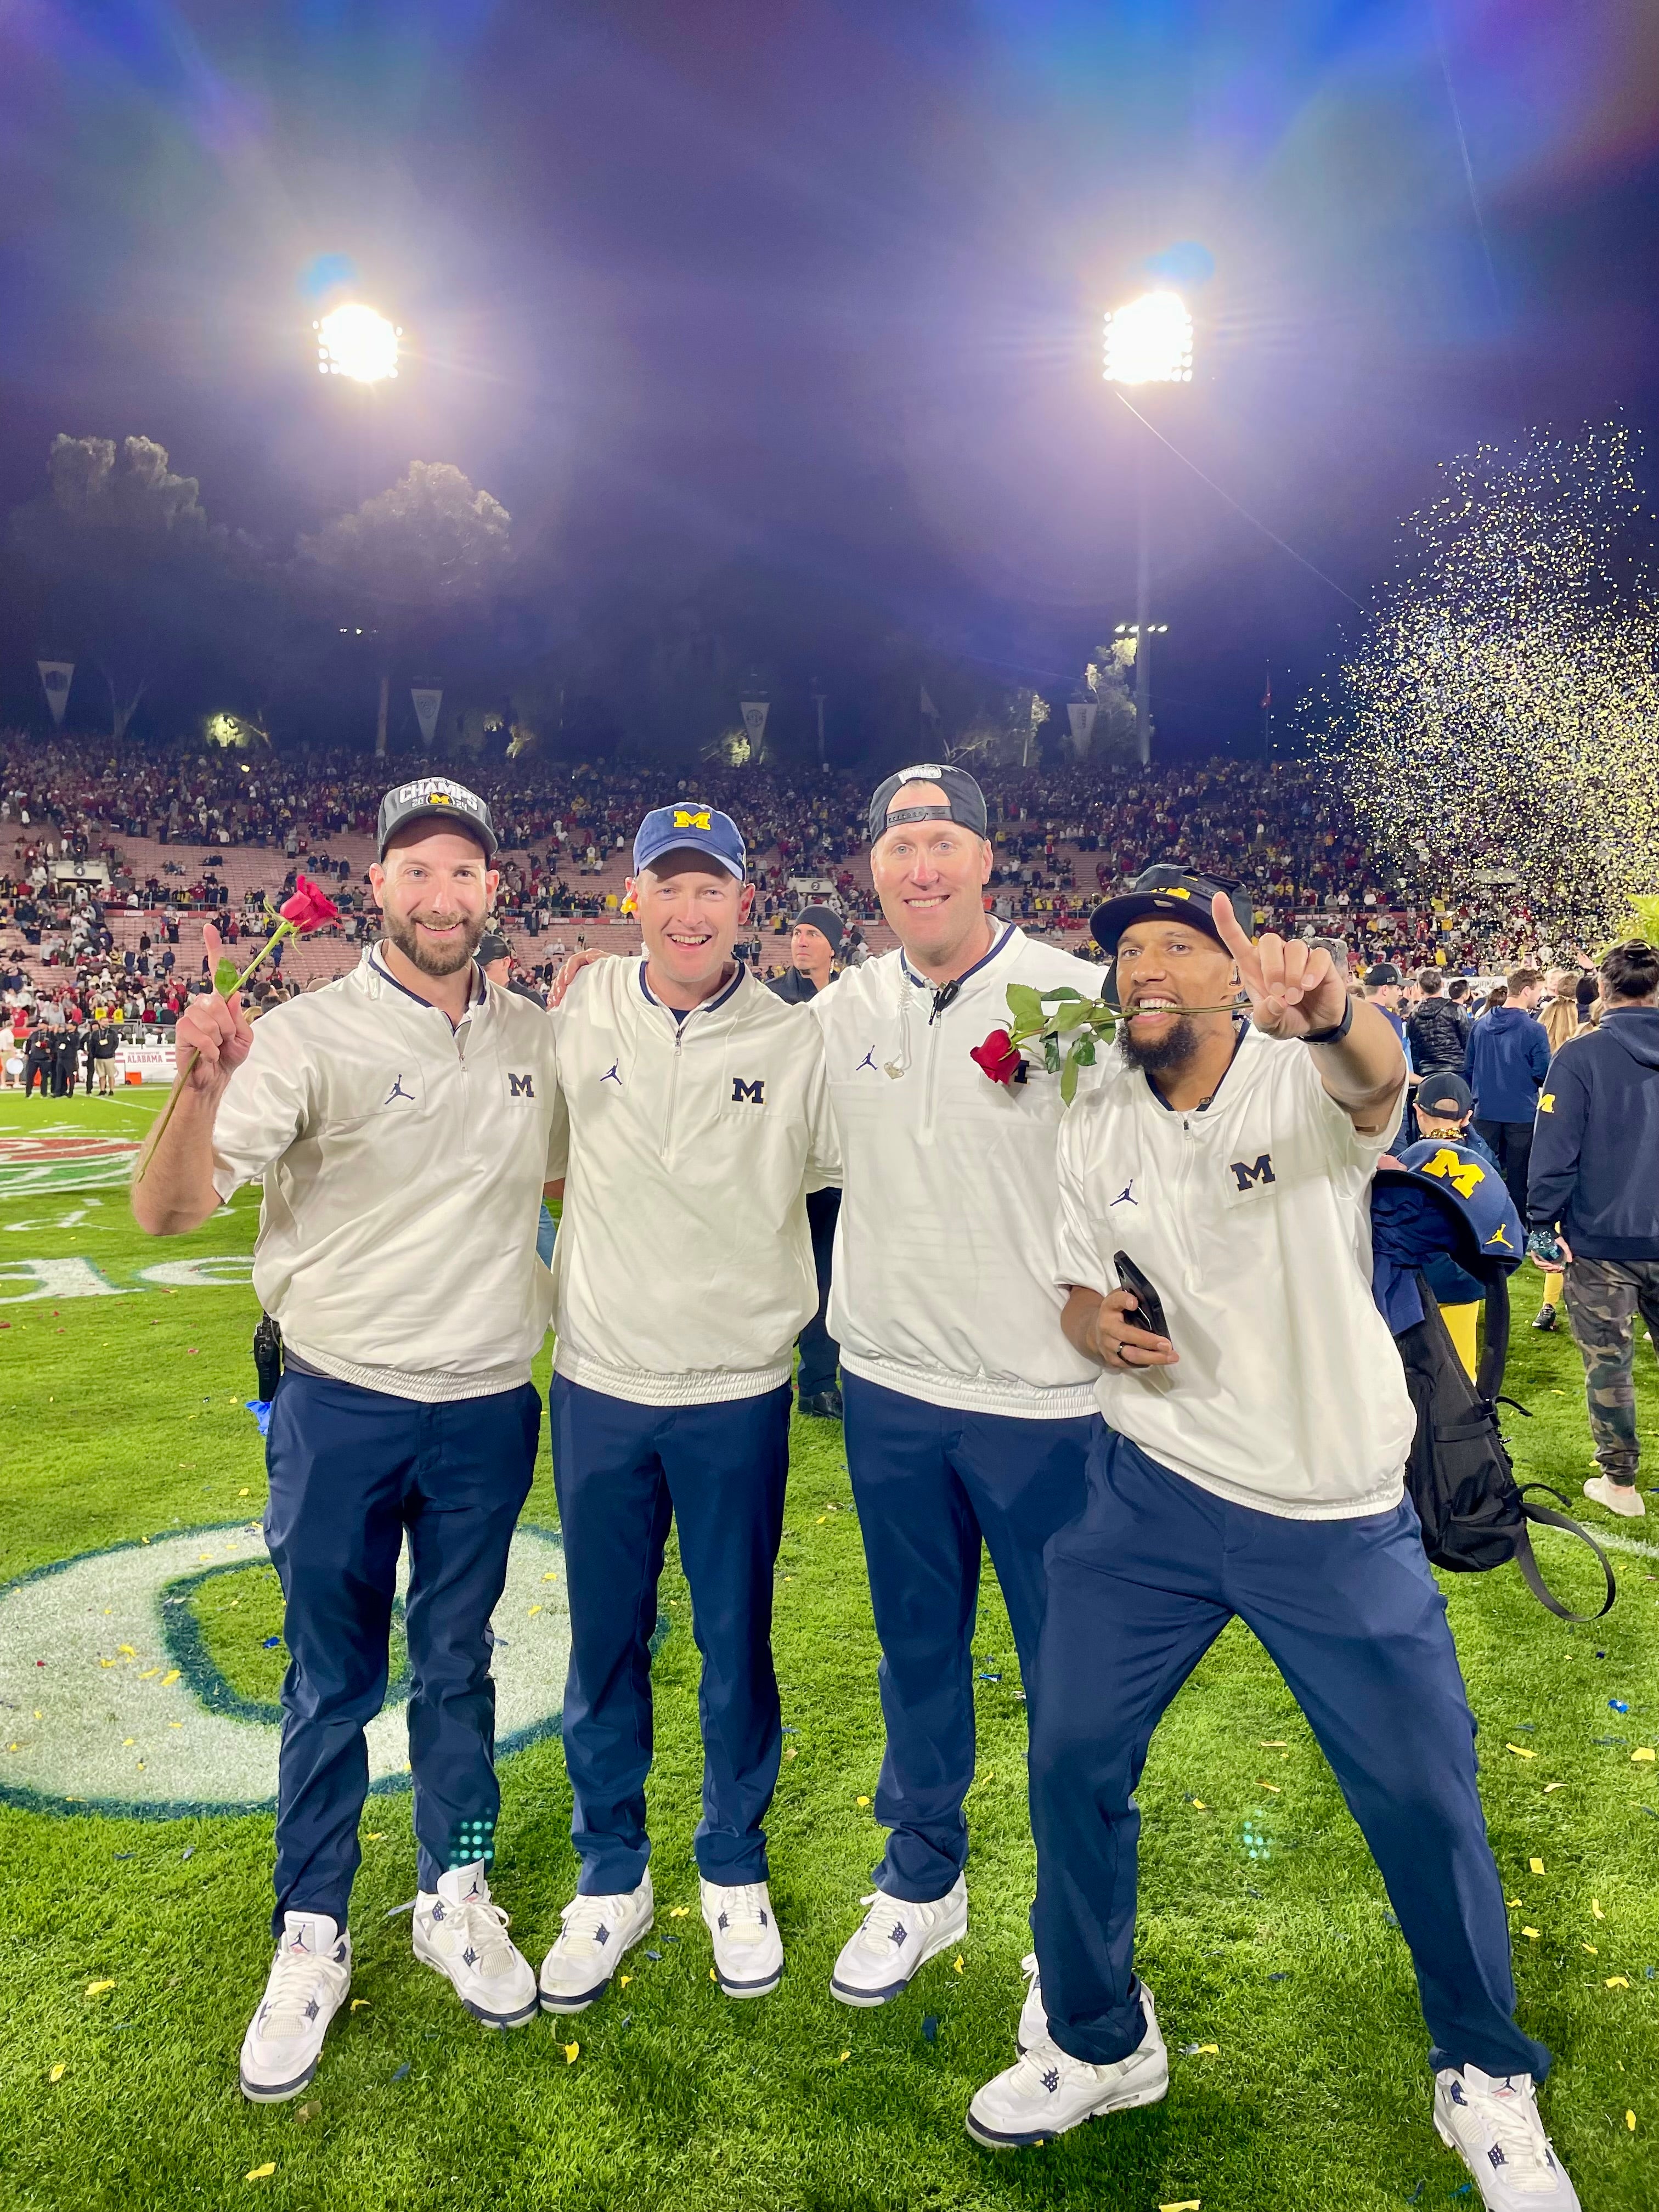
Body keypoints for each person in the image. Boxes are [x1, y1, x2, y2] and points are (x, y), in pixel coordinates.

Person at [967, 885, 1578, 2212]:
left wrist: (1340, 1015)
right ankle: (1096, 2035)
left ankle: (1482, 2070)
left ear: (1232, 980)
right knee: (1071, 1758)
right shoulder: (1094, 1113)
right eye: (1127, 951)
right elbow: (1073, 1282)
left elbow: (1372, 1088)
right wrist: (1092, 1330)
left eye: (1177, 947)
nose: (1143, 968)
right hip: (1150, 1492)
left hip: (1327, 1506)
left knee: (1423, 1796)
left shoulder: (1295, 1083)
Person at [132, 774, 563, 2102]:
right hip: (341, 1400)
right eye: (416, 871)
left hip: (491, 1401)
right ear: (376, 886)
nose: (442, 895)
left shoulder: (540, 1039)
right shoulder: (307, 1033)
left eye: (465, 872)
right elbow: (167, 1211)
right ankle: (311, 1925)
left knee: (459, 1665)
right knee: (331, 1677)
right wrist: (198, 1085)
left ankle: (457, 1883)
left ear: (496, 890)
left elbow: (568, 1176)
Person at [810, 766, 1104, 2010]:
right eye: (899, 845)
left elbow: (1153, 1166)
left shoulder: (1074, 998)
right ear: (873, 871)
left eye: (943, 842)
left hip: (1046, 1402)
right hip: (888, 1386)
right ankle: (924, 1882)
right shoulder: (838, 1012)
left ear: (988, 859)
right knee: (916, 1653)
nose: (920, 866)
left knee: (1073, 1681)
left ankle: (1076, 1937)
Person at [537, 803, 837, 2016]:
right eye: (669, 885)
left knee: (733, 1639)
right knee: (603, 1641)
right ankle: (612, 1868)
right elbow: (537, 1152)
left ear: (744, 907)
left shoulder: (798, 1039)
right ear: (635, 898)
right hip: (602, 1380)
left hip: (735, 1390)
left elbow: (862, 1179)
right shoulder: (582, 1009)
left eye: (712, 887)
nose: (690, 908)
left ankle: (732, 1859)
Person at [1528, 939, 1659, 1522]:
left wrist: (1539, 1224)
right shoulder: (1580, 1057)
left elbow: (1554, 1152)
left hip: (1601, 1243)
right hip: (1613, 1236)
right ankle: (1619, 1480)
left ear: (1601, 991)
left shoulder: (1580, 1057)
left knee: (1609, 1364)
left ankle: (1621, 1481)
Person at [767, 905, 845, 1418]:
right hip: (787, 1160)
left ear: (834, 946)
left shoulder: (853, 998)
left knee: (832, 1276)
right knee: (785, 1271)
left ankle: (820, 1378)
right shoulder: (771, 999)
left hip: (840, 1162)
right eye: (796, 932)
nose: (800, 941)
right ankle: (790, 1376)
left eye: (812, 933)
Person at [1406, 1072, 1500, 1379]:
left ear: (1418, 1111)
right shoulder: (1486, 1160)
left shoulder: (1408, 1162)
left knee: (1413, 1371)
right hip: (1466, 1279)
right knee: (1461, 1375)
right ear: (1467, 1117)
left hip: (1417, 1282)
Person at [1464, 969, 1549, 1215]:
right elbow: (1543, 1072)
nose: (1539, 996)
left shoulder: (1480, 1025)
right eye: (1538, 991)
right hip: (1521, 1112)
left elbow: (1468, 1068)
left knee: (1481, 1173)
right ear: (1526, 991)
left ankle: (1480, 1221)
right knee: (1519, 1176)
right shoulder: (1534, 1030)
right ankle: (1517, 1228)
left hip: (1485, 1110)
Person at [1407, 968, 1469, 1077]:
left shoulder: (1414, 1015)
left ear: (1421, 989)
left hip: (1428, 1072)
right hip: (1456, 1070)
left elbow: (1414, 1050)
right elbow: (1467, 1042)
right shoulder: (1456, 1010)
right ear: (1442, 984)